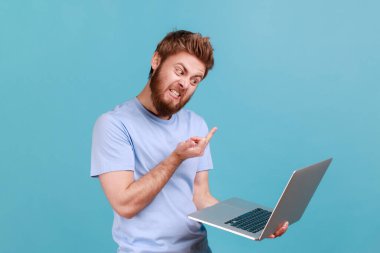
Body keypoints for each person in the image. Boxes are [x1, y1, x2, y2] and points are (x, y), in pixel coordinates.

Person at [91, 30, 288, 253]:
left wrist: (253, 224)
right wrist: (176, 158)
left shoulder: (196, 124)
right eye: (180, 71)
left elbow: (200, 197)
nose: (185, 84)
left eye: (195, 80)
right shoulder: (113, 124)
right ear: (156, 60)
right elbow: (124, 204)